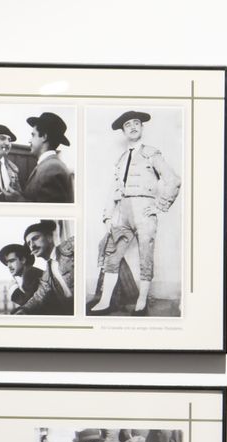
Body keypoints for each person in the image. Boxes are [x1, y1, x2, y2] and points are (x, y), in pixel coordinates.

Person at [88, 111, 180, 316]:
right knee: (112, 256)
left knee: (145, 256)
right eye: (128, 124)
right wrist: (107, 215)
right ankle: (105, 301)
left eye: (136, 123)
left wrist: (160, 205)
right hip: (122, 212)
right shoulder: (121, 159)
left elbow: (173, 179)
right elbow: (113, 189)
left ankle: (141, 302)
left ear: (142, 127)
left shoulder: (151, 153)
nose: (132, 127)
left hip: (144, 210)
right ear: (123, 131)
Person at [14, 220, 73, 315]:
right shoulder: (47, 273)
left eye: (35, 238)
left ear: (49, 238)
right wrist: (23, 310)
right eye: (29, 243)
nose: (32, 245)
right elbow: (38, 297)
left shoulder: (70, 247)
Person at [22, 112, 74, 203]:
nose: (29, 140)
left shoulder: (52, 168)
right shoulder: (48, 165)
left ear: (44, 137)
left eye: (33, 135)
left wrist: (18, 200)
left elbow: (48, 213)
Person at [0, 123, 35, 202]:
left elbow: (17, 195)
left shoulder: (13, 168)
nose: (8, 143)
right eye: (2, 138)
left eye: (9, 140)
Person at [0, 243, 46, 311]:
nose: (9, 266)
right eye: (7, 263)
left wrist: (13, 289)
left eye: (11, 261)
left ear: (23, 260)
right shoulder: (29, 272)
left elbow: (33, 306)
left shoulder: (29, 273)